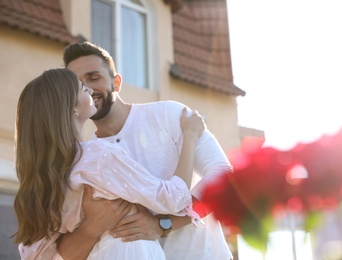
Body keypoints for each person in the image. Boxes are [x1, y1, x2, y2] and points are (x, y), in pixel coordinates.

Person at [22, 41, 234, 259]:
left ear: (116, 82)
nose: (88, 87)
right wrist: (91, 226)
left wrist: (163, 224)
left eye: (94, 77)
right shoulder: (85, 158)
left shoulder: (169, 115)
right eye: (78, 83)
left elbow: (223, 176)